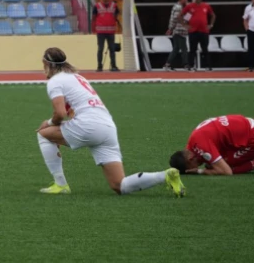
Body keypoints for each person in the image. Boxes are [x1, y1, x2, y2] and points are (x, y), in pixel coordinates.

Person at [34, 47, 183, 197]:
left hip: (88, 125)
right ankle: (165, 175)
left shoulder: (55, 81)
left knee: (43, 134)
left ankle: (60, 185)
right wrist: (60, 129)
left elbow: (60, 113)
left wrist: (49, 123)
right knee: (119, 185)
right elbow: (71, 112)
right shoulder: (78, 78)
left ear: (46, 63)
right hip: (107, 127)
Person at [169, 115, 254, 176]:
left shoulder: (201, 146)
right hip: (248, 127)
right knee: (215, 165)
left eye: (193, 166)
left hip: (253, 135)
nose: (197, 166)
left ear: (190, 159)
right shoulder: (192, 144)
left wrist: (200, 171)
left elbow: (227, 172)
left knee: (228, 166)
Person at [183, 0, 215, 70]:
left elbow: (213, 15)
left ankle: (207, 66)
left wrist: (211, 25)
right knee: (192, 49)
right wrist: (185, 25)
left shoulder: (206, 6)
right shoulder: (190, 6)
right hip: (193, 31)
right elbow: (182, 16)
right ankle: (190, 66)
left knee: (205, 49)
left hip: (204, 31)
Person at [91, 0, 120, 72]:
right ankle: (99, 66)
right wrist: (94, 29)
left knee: (112, 49)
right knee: (100, 49)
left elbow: (116, 15)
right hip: (100, 32)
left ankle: (113, 66)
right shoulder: (97, 6)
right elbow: (93, 17)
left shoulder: (114, 6)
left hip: (111, 31)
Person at [165, 0, 189, 71]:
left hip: (181, 30)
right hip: (179, 30)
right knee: (184, 48)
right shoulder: (178, 7)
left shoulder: (183, 7)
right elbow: (175, 18)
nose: (187, 1)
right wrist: (171, 29)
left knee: (176, 48)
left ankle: (167, 64)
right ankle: (185, 65)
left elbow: (186, 18)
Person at [243, 0, 254, 72]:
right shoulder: (248, 8)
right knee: (251, 49)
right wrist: (247, 29)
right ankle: (251, 66)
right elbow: (245, 19)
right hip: (252, 31)